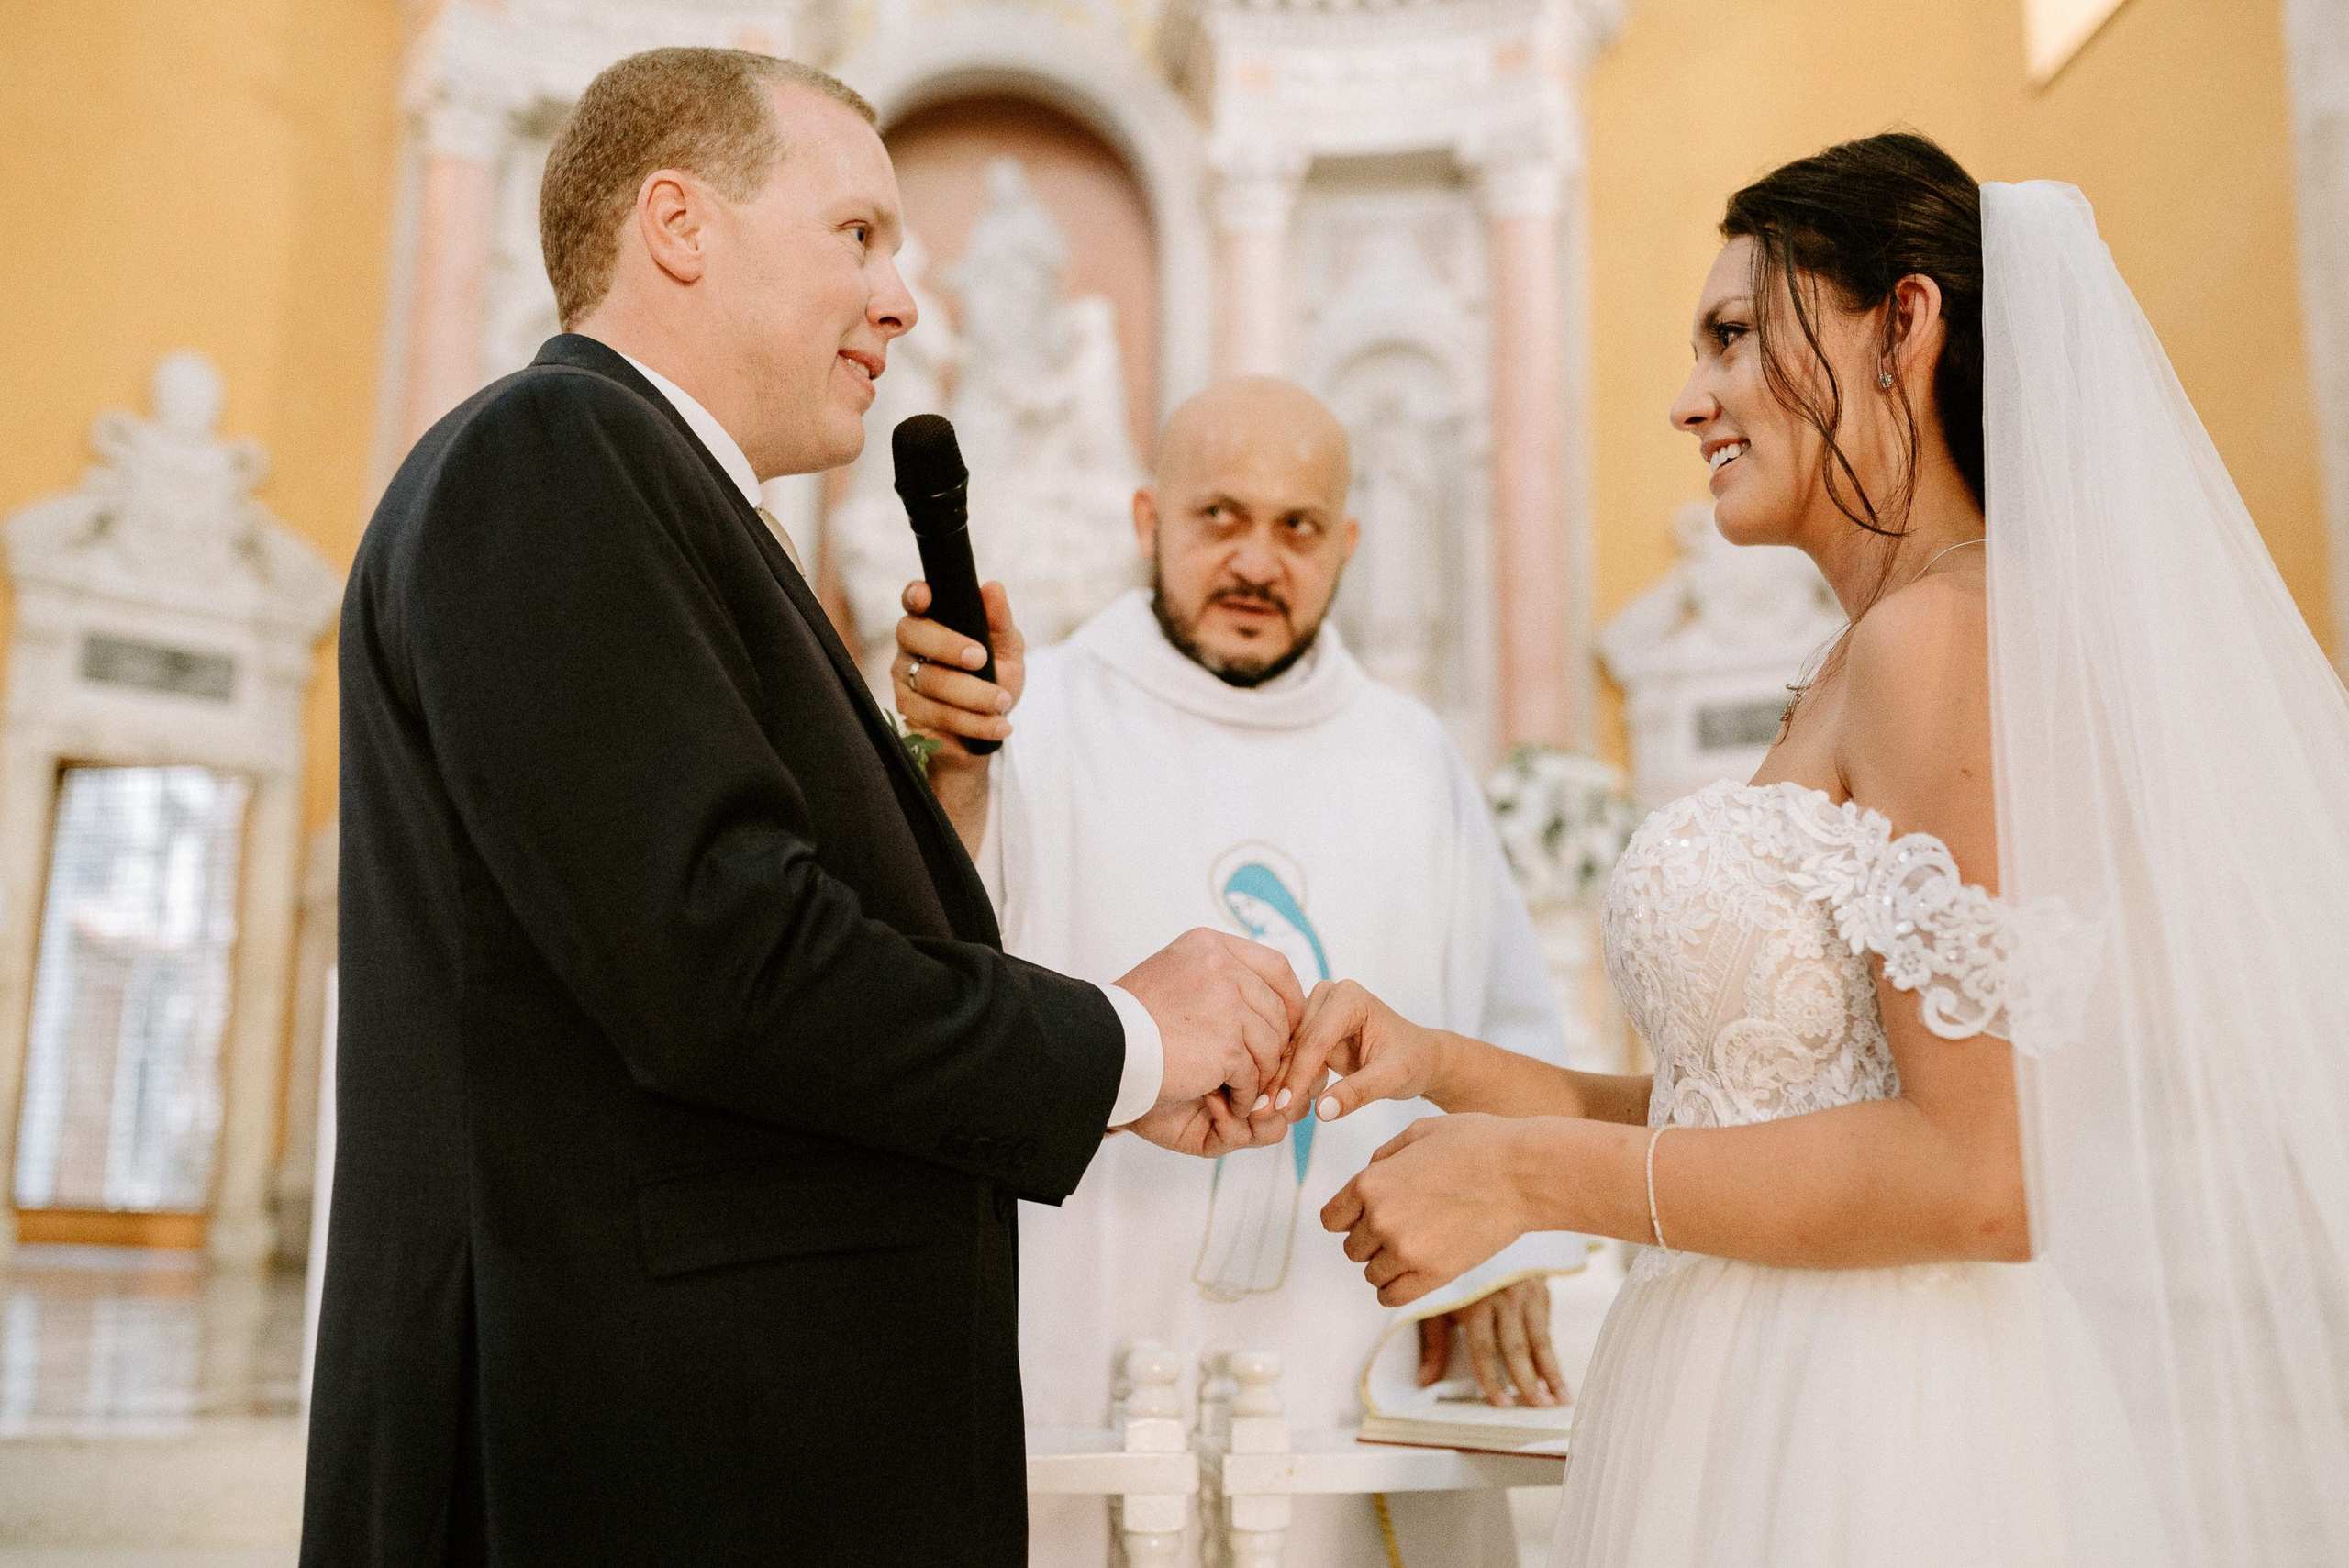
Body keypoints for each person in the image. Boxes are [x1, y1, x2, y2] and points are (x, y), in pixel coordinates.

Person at [1272, 132, 2349, 1567]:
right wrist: (1444, 1065)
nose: (1688, 397)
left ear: (1904, 322)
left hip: (1870, 1433)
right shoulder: (1862, 655)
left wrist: (1528, 1178)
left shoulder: (1945, 639)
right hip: (1738, 1384)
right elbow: (1740, 1116)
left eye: (1733, 334)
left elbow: (1987, 1172)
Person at [305, 50, 1304, 1568]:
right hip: (621, 1466)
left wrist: (929, 773)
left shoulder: (667, 494)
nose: (906, 297)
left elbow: (700, 903)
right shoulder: (554, 456)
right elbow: (721, 959)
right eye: (860, 235)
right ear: (679, 225)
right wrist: (1129, 1035)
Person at [894, 375, 1585, 1568]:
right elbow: (935, 977)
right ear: (1148, 518)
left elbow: (1509, 1020)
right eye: (1219, 517)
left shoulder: (1408, 756)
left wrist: (1509, 1244)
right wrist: (952, 771)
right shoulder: (1032, 717)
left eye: (1298, 527)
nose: (1257, 559)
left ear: (1349, 544)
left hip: (1350, 1370)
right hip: (1081, 1360)